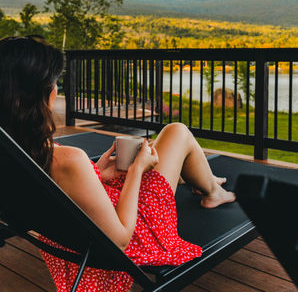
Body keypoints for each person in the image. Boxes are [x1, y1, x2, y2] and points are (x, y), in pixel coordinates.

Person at [0, 36, 235, 292]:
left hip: (78, 231)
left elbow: (57, 187)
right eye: (55, 82)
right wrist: (136, 170)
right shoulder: (69, 160)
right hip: (139, 233)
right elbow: (120, 241)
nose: (57, 89)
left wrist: (96, 173)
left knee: (169, 139)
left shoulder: (15, 150)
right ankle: (213, 190)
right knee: (176, 131)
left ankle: (210, 183)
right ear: (39, 94)